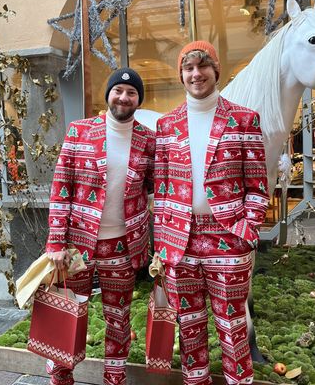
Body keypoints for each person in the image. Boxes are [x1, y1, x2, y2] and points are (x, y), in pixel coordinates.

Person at [153, 41, 269, 385]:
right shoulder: (166, 125)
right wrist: (162, 244)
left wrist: (248, 231)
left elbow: (258, 187)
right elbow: (161, 190)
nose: (195, 74)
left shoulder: (244, 119)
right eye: (188, 68)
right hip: (180, 241)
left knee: (233, 328)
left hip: (228, 238)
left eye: (202, 66)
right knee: (189, 328)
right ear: (181, 75)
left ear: (215, 70)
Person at [46, 67, 155, 385]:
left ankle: (115, 377)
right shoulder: (80, 131)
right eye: (118, 91)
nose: (124, 97)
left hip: (122, 245)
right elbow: (60, 189)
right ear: (109, 95)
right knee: (69, 312)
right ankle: (61, 376)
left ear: (138, 100)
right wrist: (55, 242)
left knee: (118, 317)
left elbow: (153, 186)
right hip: (77, 245)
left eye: (131, 93)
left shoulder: (149, 140)